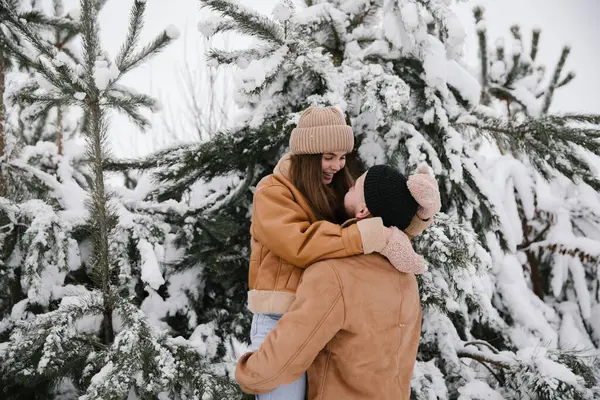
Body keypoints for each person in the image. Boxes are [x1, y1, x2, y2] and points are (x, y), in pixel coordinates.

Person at [246, 106, 440, 399]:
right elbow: (301, 244)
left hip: (322, 321)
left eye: (342, 157)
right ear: (308, 155)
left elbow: (372, 221)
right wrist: (372, 235)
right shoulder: (273, 191)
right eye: (328, 157)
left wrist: (420, 216)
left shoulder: (338, 189)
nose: (337, 165)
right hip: (279, 320)